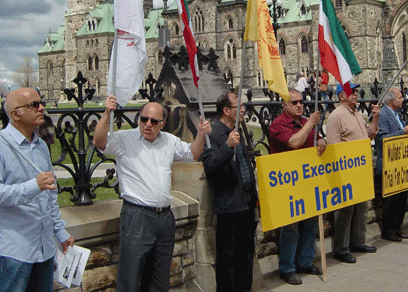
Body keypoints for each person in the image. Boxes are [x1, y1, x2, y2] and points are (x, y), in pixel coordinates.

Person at [93, 95, 210, 292]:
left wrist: (200, 133)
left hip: (164, 217)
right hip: (137, 216)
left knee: (159, 279)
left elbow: (192, 154)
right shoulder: (124, 139)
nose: (147, 124)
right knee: (130, 279)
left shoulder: (169, 141)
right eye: (143, 119)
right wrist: (107, 113)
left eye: (154, 121)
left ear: (163, 124)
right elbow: (99, 141)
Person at [0, 88, 74, 292]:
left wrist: (59, 230)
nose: (42, 108)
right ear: (16, 113)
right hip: (15, 251)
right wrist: (34, 186)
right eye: (34, 105)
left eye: (41, 103)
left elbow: (50, 195)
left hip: (45, 249)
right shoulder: (2, 145)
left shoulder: (41, 145)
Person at [201, 93, 258, 292]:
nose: (243, 109)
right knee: (228, 258)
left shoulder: (237, 130)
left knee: (246, 254)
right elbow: (211, 166)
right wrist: (227, 147)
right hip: (229, 205)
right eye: (238, 106)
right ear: (226, 111)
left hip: (246, 202)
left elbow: (245, 165)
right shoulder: (213, 134)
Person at [269, 89, 327, 285]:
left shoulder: (304, 123)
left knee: (310, 223)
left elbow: (312, 143)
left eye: (301, 101)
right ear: (284, 105)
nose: (299, 105)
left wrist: (320, 139)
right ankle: (287, 267)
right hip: (287, 184)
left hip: (307, 182)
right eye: (294, 102)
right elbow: (294, 142)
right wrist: (311, 123)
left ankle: (305, 261)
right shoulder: (278, 124)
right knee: (291, 227)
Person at [326, 82, 380, 263]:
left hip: (361, 170)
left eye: (356, 91)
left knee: (362, 208)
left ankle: (358, 242)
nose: (356, 94)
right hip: (346, 170)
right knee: (345, 210)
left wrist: (375, 118)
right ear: (342, 96)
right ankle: (341, 248)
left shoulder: (356, 113)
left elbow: (370, 135)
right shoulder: (335, 116)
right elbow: (334, 145)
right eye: (352, 91)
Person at [375, 87, 408, 242]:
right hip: (388, 164)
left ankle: (398, 228)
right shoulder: (383, 115)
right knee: (391, 201)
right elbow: (382, 139)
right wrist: (402, 132)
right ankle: (389, 230)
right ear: (390, 100)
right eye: (399, 97)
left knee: (402, 199)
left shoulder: (396, 114)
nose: (402, 99)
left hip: (400, 163)